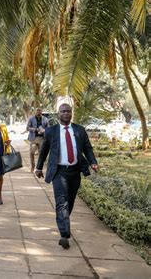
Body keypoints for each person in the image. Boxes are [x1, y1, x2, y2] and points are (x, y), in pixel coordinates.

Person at [35, 103, 98, 249]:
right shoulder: (51, 131)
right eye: (63, 111)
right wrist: (38, 167)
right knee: (61, 201)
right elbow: (44, 151)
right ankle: (64, 234)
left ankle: (62, 220)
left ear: (71, 114)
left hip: (75, 171)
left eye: (68, 111)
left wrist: (93, 162)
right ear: (58, 114)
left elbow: (88, 148)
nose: (66, 114)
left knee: (69, 201)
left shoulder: (80, 130)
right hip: (59, 171)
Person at [27, 108, 49, 173]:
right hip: (33, 138)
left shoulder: (45, 119)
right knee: (31, 152)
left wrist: (44, 130)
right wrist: (35, 129)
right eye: (37, 111)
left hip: (42, 138)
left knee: (41, 154)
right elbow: (27, 128)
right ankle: (32, 166)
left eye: (40, 111)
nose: (38, 112)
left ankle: (39, 167)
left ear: (41, 112)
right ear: (35, 112)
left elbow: (48, 128)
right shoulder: (31, 119)